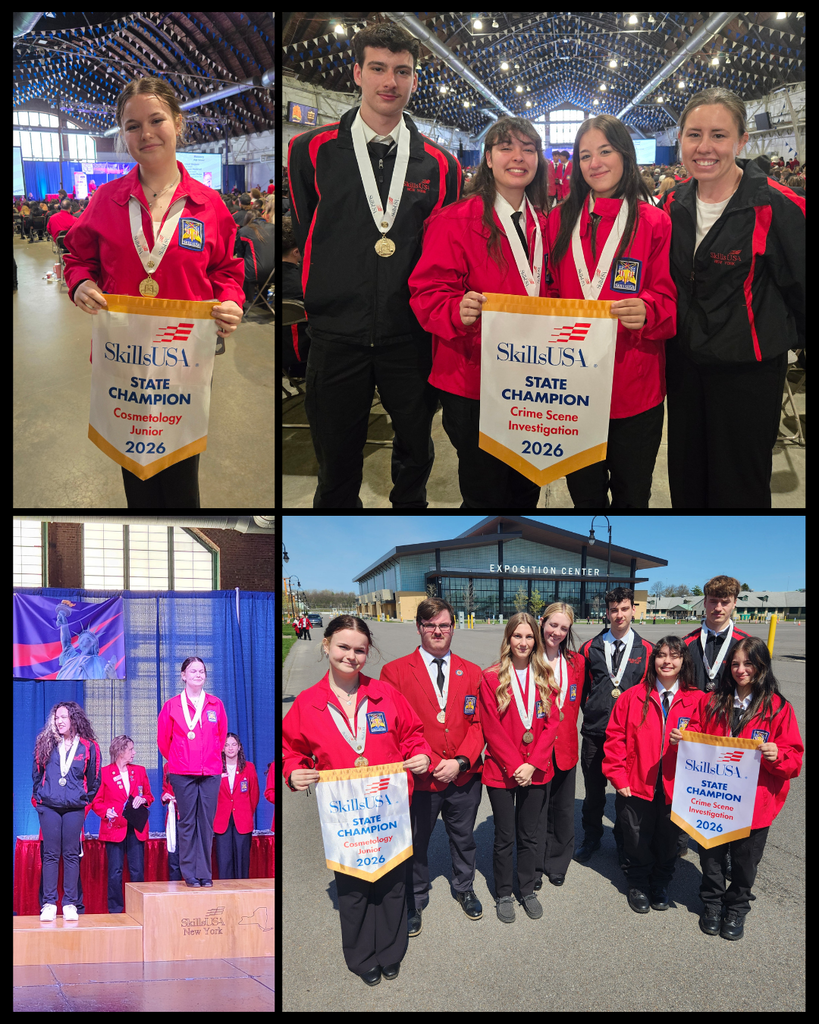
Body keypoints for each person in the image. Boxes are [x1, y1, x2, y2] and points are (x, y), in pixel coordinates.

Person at [287, 21, 461, 507]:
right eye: (379, 69)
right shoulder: (310, 150)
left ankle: (412, 524)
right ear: (357, 73)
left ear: (414, 80)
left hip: (411, 336)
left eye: (402, 71)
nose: (391, 81)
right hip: (336, 336)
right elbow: (309, 231)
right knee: (337, 461)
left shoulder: (441, 165)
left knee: (416, 453)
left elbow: (444, 253)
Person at [62, 75, 245, 508]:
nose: (145, 133)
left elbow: (227, 269)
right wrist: (80, 284)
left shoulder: (209, 205)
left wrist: (231, 301)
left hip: (185, 361)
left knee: (182, 476)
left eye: (156, 119)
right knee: (136, 476)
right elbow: (76, 258)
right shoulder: (105, 200)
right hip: (121, 360)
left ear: (178, 123)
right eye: (131, 125)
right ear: (121, 133)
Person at [658, 87, 805, 507]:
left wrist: (782, 342)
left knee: (737, 488)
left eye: (719, 135)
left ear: (741, 140)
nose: (705, 147)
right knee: (687, 480)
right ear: (681, 141)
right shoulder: (673, 203)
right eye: (694, 134)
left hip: (746, 376)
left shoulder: (777, 206)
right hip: (685, 370)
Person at [282, 615, 432, 986]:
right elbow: (290, 751)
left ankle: (391, 951)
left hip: (388, 811)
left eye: (360, 650)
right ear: (326, 645)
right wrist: (292, 772)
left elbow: (413, 734)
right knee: (353, 891)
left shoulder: (385, 695)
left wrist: (422, 755)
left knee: (393, 884)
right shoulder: (307, 703)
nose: (351, 656)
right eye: (343, 647)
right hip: (346, 818)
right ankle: (362, 955)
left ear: (368, 653)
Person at [409, 115, 550, 508]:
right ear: (488, 158)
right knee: (484, 489)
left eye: (528, 148)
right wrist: (456, 307)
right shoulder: (455, 219)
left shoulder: (544, 222)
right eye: (506, 147)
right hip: (475, 380)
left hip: (534, 379)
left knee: (526, 486)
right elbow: (425, 291)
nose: (518, 157)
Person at [544, 113, 676, 507]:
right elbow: (547, 292)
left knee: (633, 495)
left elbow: (668, 300)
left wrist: (649, 309)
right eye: (586, 156)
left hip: (633, 387)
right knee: (584, 496)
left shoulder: (654, 222)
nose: (595, 163)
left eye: (605, 151)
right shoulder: (557, 221)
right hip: (573, 388)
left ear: (625, 155)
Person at [670, 636, 803, 939]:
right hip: (714, 801)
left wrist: (777, 755)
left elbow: (794, 760)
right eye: (735, 663)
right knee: (711, 858)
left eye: (748, 663)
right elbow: (695, 733)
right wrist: (683, 737)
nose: (740, 669)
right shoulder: (711, 700)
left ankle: (738, 907)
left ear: (761, 666)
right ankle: (713, 904)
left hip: (754, 805)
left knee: (744, 863)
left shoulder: (779, 708)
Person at [380, 597, 486, 934]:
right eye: (430, 625)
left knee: (464, 836)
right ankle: (415, 897)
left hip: (463, 775)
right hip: (420, 778)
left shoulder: (472, 672)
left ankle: (464, 887)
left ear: (453, 627)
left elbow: (480, 723)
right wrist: (426, 760)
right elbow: (391, 726)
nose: (437, 631)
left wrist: (461, 761)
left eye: (443, 625)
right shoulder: (394, 672)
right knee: (416, 841)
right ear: (419, 628)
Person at [603, 637, 701, 912]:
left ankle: (660, 882)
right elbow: (614, 740)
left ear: (684, 661)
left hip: (678, 785)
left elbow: (711, 743)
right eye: (661, 655)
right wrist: (618, 776)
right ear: (653, 660)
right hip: (637, 782)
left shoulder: (699, 700)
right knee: (636, 836)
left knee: (670, 837)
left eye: (674, 656)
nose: (667, 662)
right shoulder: (631, 697)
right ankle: (637, 882)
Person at [479, 612, 561, 922]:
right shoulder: (491, 677)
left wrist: (533, 764)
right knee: (504, 836)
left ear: (535, 640)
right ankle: (503, 891)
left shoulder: (546, 676)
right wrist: (517, 764)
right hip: (502, 771)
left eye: (529, 637)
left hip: (537, 770)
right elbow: (491, 729)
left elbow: (552, 726)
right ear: (508, 639)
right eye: (517, 636)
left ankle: (526, 888)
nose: (523, 642)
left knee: (529, 835)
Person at [575, 587, 653, 864]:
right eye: (613, 610)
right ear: (606, 613)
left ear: (633, 610)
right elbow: (582, 690)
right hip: (596, 735)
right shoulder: (589, 648)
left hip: (629, 740)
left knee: (626, 795)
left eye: (624, 609)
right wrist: (595, 713)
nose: (618, 614)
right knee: (594, 793)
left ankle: (623, 842)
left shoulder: (647, 651)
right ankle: (591, 837)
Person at [157, 656, 228, 887]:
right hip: (182, 772)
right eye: (193, 671)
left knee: (206, 823)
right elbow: (163, 741)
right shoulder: (171, 705)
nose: (198, 675)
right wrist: (180, 758)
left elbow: (221, 736)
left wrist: (210, 759)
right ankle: (189, 874)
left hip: (210, 772)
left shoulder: (215, 704)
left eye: (202, 671)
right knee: (187, 822)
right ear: (183, 675)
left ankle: (204, 873)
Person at [31, 702, 101, 921]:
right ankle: (49, 903)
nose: (59, 721)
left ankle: (70, 902)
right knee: (51, 855)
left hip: (74, 808)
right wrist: (41, 798)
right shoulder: (45, 742)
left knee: (71, 855)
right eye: (56, 717)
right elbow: (36, 774)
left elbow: (95, 779)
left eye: (64, 717)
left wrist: (83, 800)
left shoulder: (89, 746)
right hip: (49, 806)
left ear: (74, 719)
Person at [537, 603, 586, 886]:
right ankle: (534, 861)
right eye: (553, 625)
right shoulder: (530, 657)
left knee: (564, 809)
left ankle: (557, 862)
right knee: (537, 810)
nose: (556, 632)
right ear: (542, 622)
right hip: (536, 748)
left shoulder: (576, 662)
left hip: (565, 746)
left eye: (563, 628)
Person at [92, 734, 153, 913]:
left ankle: (138, 909)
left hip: (135, 827)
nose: (134, 753)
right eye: (130, 749)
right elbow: (97, 802)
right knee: (115, 873)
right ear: (120, 751)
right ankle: (115, 910)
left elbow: (149, 796)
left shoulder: (140, 771)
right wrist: (106, 812)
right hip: (114, 828)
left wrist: (142, 799)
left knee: (137, 872)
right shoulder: (104, 773)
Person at [682, 575, 751, 692]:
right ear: (704, 602)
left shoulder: (747, 644)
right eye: (713, 601)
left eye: (725, 602)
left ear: (734, 603)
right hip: (694, 709)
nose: (718, 608)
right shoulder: (685, 644)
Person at [214, 733, 259, 879]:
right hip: (222, 820)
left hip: (242, 819)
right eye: (226, 745)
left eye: (233, 744)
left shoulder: (249, 768)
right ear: (222, 749)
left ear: (239, 747)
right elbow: (211, 796)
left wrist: (245, 812)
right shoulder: (216, 768)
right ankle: (225, 895)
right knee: (224, 861)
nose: (230, 748)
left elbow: (254, 795)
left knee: (242, 860)